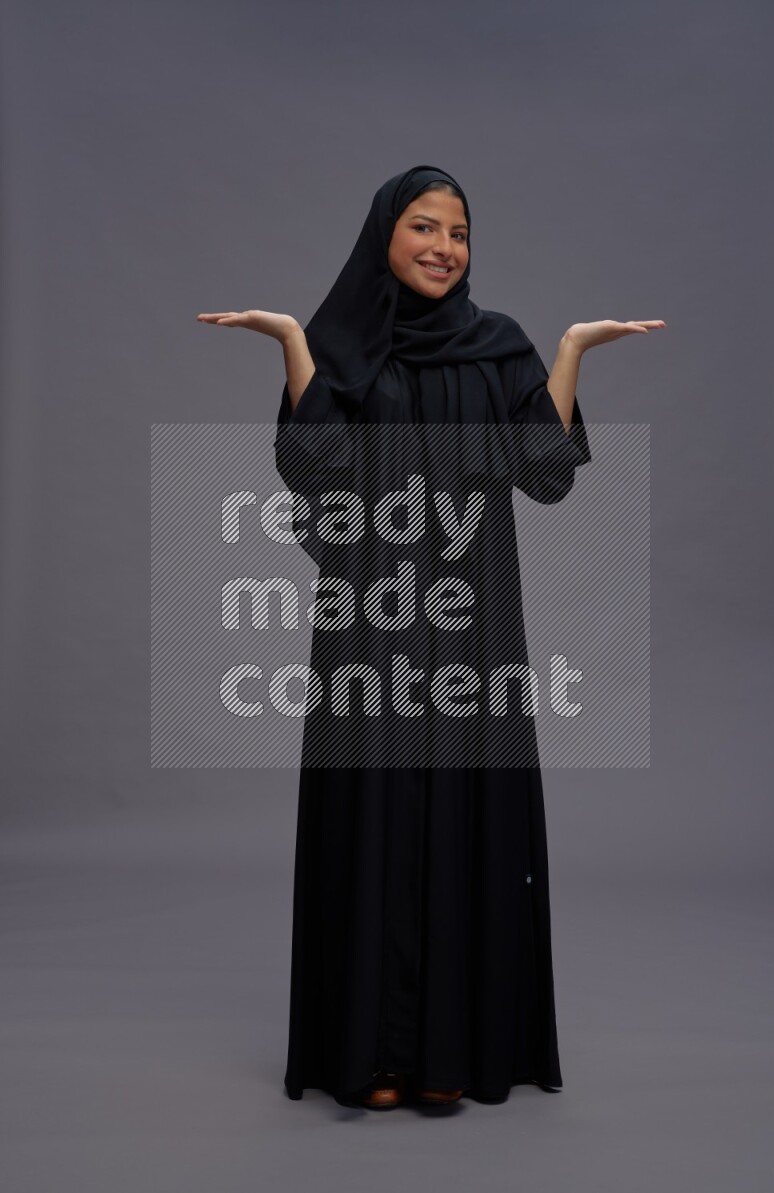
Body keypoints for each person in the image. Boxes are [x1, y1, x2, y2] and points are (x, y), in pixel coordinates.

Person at [197, 164, 665, 1110]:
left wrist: (571, 350)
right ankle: (371, 1053)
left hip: (473, 623)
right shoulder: (341, 347)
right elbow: (316, 469)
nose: (445, 247)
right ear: (384, 234)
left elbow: (544, 472)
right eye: (424, 226)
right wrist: (292, 343)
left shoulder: (496, 348)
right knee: (370, 813)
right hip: (368, 618)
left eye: (459, 232)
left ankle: (449, 1051)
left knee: (464, 809)